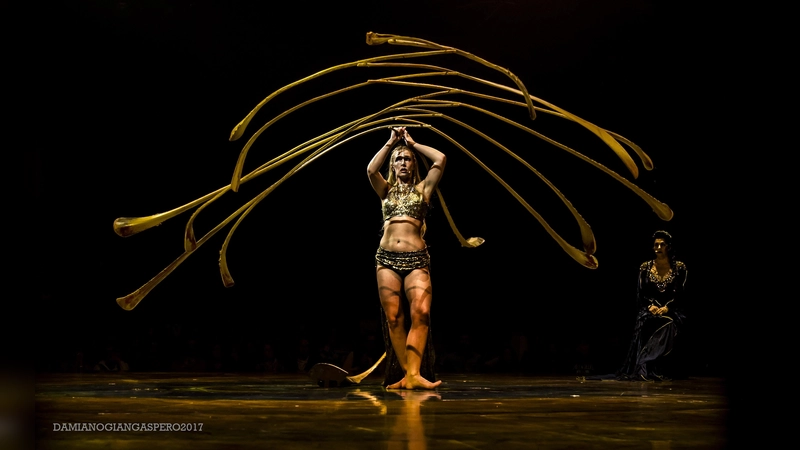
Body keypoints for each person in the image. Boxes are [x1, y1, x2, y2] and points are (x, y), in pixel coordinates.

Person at [367, 127, 445, 390]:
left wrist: (413, 143)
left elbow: (440, 159)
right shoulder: (385, 191)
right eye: (398, 159)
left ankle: (414, 374)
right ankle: (407, 374)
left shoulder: (423, 189)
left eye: (407, 159)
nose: (403, 162)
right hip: (386, 258)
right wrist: (391, 144)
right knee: (394, 318)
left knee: (421, 313)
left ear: (413, 165)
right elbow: (370, 170)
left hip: (417, 259)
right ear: (392, 164)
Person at [618, 230, 688, 381]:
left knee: (669, 324)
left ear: (668, 246)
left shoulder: (679, 268)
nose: (658, 247)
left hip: (672, 310)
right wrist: (650, 306)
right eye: (656, 244)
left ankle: (649, 363)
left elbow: (681, 294)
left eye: (662, 244)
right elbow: (640, 293)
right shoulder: (645, 267)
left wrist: (667, 307)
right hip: (649, 309)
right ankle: (644, 368)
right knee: (646, 322)